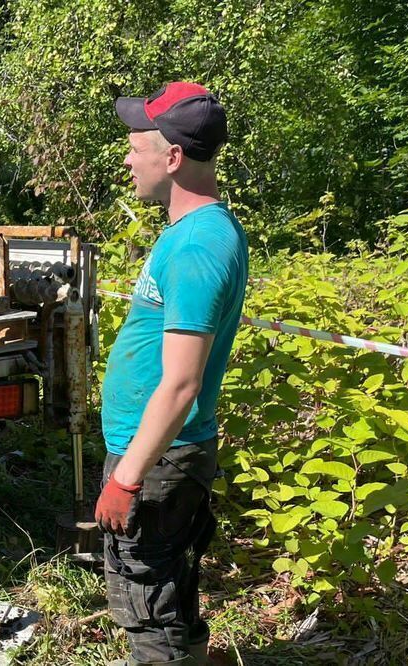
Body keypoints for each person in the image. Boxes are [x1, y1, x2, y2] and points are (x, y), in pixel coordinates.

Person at [94, 82, 248, 665]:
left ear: (173, 157)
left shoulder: (197, 247)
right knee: (171, 594)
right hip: (157, 452)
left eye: (136, 147)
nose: (128, 159)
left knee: (149, 611)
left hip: (156, 457)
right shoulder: (195, 233)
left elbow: (182, 382)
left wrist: (127, 476)